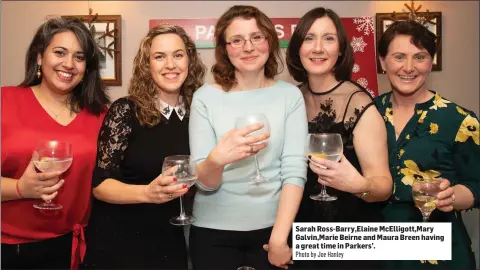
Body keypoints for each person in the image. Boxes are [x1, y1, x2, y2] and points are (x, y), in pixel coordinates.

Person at [188, 5, 308, 270]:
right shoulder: (205, 98)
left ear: (270, 40)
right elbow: (205, 185)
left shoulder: (290, 96)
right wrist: (216, 160)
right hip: (212, 233)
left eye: (257, 37)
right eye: (237, 40)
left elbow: (294, 170)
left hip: (272, 231)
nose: (248, 47)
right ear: (224, 48)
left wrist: (279, 236)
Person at [81, 24, 206, 269]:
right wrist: (146, 194)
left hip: (170, 239)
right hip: (119, 241)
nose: (170, 65)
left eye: (178, 55)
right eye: (159, 57)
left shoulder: (198, 113)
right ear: (146, 66)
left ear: (189, 61)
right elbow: (100, 186)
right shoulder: (125, 111)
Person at [285, 7, 392, 269]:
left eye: (329, 38)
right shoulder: (291, 99)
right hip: (299, 234)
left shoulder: (359, 105)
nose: (318, 48)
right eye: (309, 38)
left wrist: (357, 184)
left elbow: (383, 187)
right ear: (298, 47)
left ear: (341, 49)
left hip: (348, 239)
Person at [1, 17, 109, 269]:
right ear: (39, 57)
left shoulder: (100, 116)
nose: (69, 64)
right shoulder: (5, 101)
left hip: (74, 249)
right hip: (9, 248)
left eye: (79, 57)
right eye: (60, 52)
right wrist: (20, 188)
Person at [375, 20, 479, 270]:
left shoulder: (460, 120)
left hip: (438, 253)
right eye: (399, 57)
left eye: (420, 57)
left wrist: (452, 196)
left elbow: (477, 185)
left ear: (431, 62)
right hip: (376, 249)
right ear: (383, 62)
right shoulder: (368, 113)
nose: (408, 68)